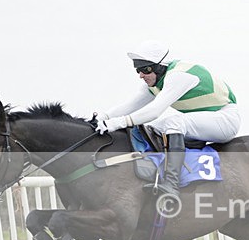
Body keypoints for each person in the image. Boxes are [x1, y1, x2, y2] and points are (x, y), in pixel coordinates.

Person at [95, 40, 240, 211]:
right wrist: (101, 118)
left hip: (225, 119)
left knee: (173, 122)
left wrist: (116, 123)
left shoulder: (179, 76)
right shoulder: (155, 83)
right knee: (152, 128)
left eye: (145, 69)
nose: (141, 75)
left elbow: (155, 110)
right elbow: (130, 105)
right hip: (207, 119)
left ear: (160, 66)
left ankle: (172, 184)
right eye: (138, 70)